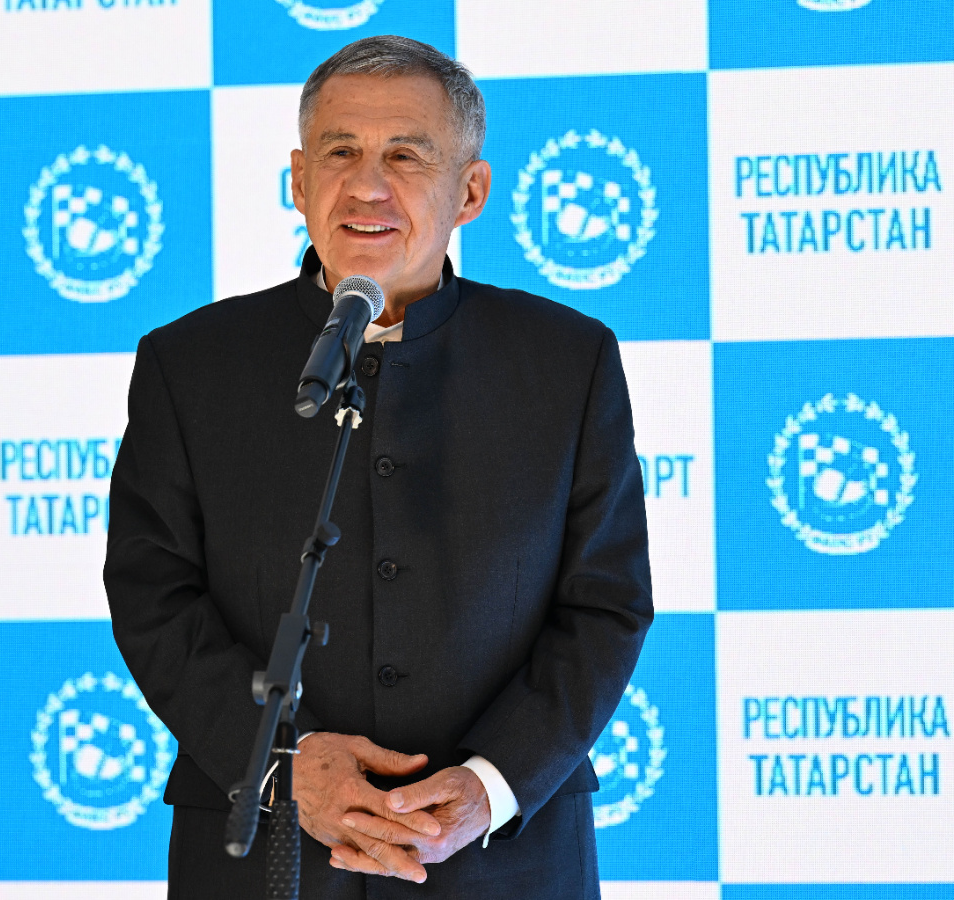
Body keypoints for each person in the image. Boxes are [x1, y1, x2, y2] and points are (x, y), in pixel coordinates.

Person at [104, 35, 653, 899]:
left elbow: (606, 605)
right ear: (298, 180)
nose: (367, 186)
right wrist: (286, 765)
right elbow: (152, 595)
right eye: (340, 153)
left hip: (500, 864)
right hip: (265, 857)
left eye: (405, 156)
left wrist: (490, 784)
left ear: (470, 191)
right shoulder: (191, 364)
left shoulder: (566, 361)